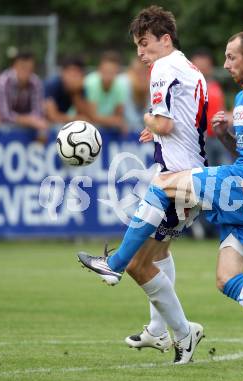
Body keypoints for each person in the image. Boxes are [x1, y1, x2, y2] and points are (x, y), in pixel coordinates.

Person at [78, 30, 243, 368]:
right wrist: (225, 135)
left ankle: (113, 265)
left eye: (232, 56)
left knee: (163, 184)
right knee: (227, 279)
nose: (225, 63)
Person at [78, 6, 207, 364]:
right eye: (137, 45)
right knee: (155, 256)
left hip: (177, 178)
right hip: (190, 172)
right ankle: (160, 330)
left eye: (145, 43)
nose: (140, 52)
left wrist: (151, 120)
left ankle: (116, 268)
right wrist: (161, 127)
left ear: (165, 40)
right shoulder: (188, 66)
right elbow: (185, 121)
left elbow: (165, 123)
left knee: (136, 262)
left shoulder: (164, 67)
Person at [0, 51, 48, 132]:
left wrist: (32, 121)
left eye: (30, 69)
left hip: (20, 122)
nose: (26, 72)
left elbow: (38, 113)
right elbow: (5, 115)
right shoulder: (3, 82)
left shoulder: (36, 82)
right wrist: (29, 120)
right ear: (14, 66)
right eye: (23, 68)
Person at [191, 48, 230, 166]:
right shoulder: (189, 87)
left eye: (205, 66)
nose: (202, 70)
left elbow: (220, 108)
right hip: (201, 139)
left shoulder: (215, 85)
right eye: (199, 66)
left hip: (219, 137)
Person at [84, 51, 128, 133]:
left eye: (111, 71)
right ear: (99, 69)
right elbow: (92, 116)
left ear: (117, 71)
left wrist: (116, 121)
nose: (108, 75)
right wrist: (115, 121)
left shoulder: (121, 86)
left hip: (101, 128)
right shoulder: (91, 82)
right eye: (105, 71)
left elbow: (119, 116)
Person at [44, 57, 92, 123]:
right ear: (62, 72)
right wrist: (75, 118)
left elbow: (85, 116)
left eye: (77, 73)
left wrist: (76, 92)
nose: (73, 77)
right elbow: (52, 116)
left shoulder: (81, 88)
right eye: (70, 72)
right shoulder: (52, 84)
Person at [117, 56, 151, 132]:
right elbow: (130, 115)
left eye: (145, 72)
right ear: (130, 72)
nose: (142, 77)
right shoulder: (122, 82)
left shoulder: (155, 83)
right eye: (138, 72)